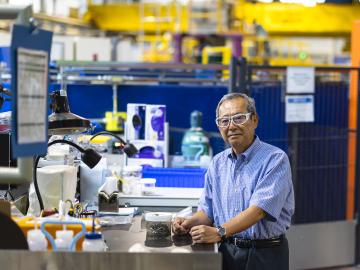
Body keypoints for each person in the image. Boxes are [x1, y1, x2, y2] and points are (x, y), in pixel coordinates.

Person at [172, 93, 294, 270]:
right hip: (226, 251)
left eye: (239, 118)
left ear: (254, 120)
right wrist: (187, 223)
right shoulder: (218, 162)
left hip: (264, 253)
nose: (231, 126)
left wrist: (219, 231)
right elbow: (207, 212)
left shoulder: (275, 159)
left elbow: (258, 211)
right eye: (224, 121)